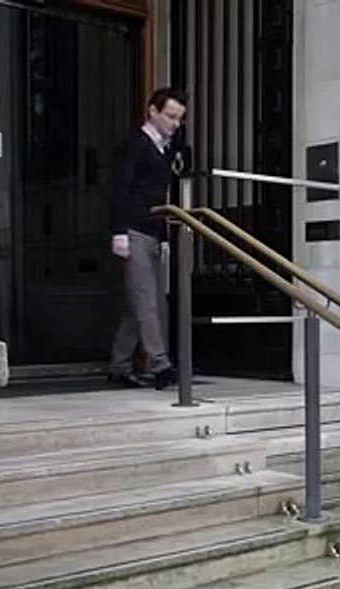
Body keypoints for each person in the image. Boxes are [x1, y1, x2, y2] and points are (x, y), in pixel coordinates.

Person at [107, 88, 188, 389]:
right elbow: (119, 189)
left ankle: (120, 363)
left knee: (136, 302)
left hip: (153, 232)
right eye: (170, 116)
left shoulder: (164, 148)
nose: (175, 123)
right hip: (135, 231)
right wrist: (118, 232)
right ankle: (160, 363)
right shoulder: (137, 146)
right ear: (152, 111)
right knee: (148, 302)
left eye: (179, 118)